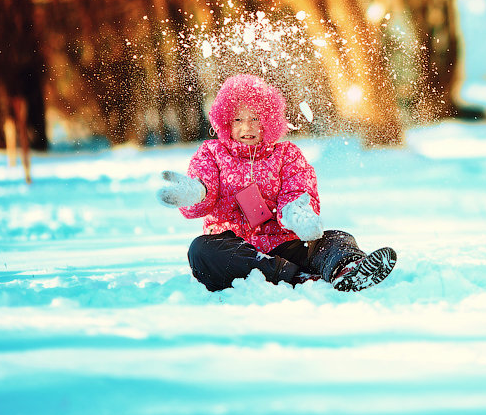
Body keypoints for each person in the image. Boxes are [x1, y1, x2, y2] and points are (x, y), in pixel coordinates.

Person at [157, 73, 396, 292]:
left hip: (284, 242)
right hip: (237, 249)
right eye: (238, 119)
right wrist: (197, 193)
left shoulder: (287, 154)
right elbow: (204, 181)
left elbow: (299, 189)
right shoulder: (211, 152)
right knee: (201, 251)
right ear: (226, 122)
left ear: (269, 122)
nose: (247, 127)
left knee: (335, 238)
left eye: (255, 119)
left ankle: (349, 269)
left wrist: (296, 214)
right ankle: (296, 277)